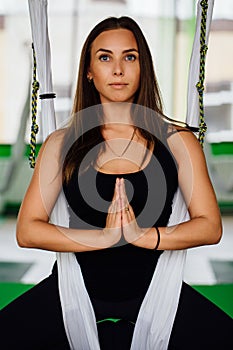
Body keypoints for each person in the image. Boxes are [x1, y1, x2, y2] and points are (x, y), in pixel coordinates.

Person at [0, 16, 232, 350]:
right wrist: (104, 238)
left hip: (159, 290)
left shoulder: (179, 141)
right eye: (105, 57)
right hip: (73, 289)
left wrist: (144, 236)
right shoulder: (61, 143)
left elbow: (210, 226)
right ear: (89, 71)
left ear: (143, 67)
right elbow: (28, 231)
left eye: (130, 56)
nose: (118, 69)